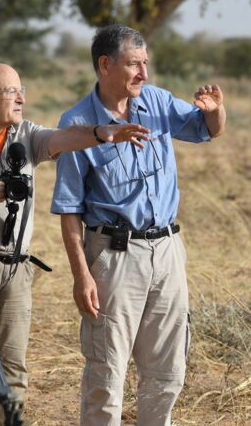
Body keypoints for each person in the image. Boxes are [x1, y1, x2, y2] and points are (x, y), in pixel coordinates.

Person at [0, 61, 150, 425]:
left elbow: (62, 138)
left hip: (18, 270)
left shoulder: (24, 135)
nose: (22, 97)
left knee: (12, 372)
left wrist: (102, 133)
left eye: (21, 89)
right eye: (11, 91)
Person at [51, 24, 226, 425]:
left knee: (168, 373)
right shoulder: (77, 123)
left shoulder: (158, 101)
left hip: (166, 252)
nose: (143, 74)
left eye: (145, 63)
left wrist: (217, 110)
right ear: (105, 65)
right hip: (113, 257)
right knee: (106, 374)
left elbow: (208, 130)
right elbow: (69, 209)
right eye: (134, 64)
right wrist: (82, 275)